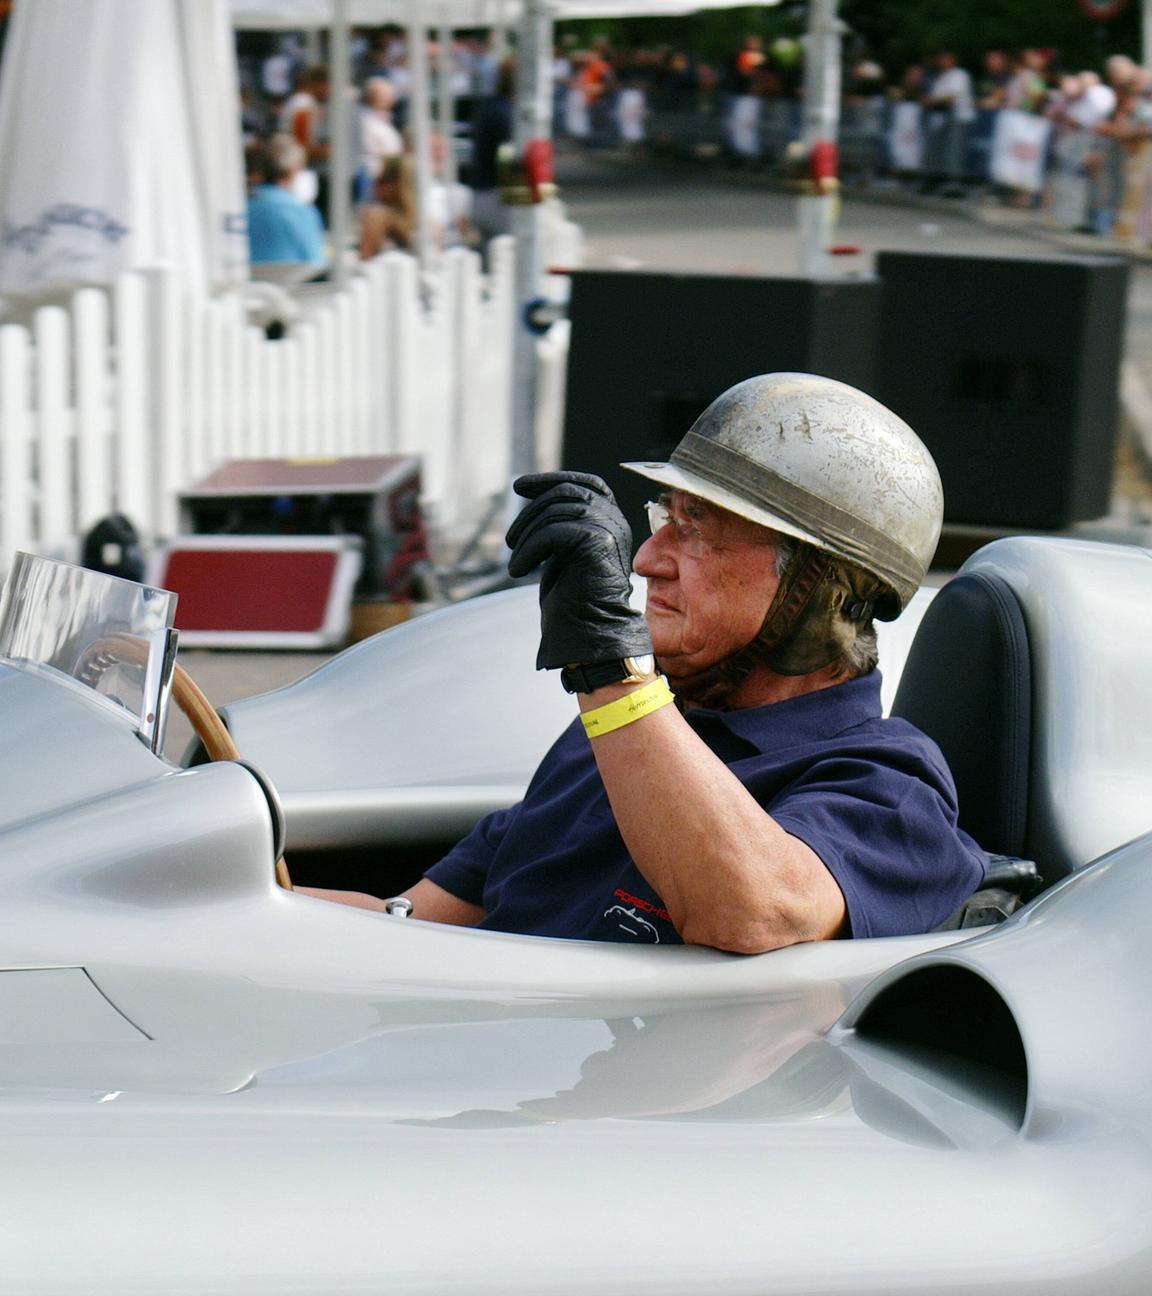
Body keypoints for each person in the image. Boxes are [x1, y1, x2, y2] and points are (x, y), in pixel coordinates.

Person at [302, 374, 986, 953]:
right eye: (666, 520)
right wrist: (222, 901)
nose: (646, 562)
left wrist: (608, 664)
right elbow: (409, 929)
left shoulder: (892, 787)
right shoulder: (626, 735)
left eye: (696, 532)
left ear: (819, 584)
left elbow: (756, 911)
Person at [246, 135, 326, 270]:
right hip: (295, 287)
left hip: (244, 287)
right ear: (294, 171)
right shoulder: (303, 213)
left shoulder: (242, 207)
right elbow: (315, 262)